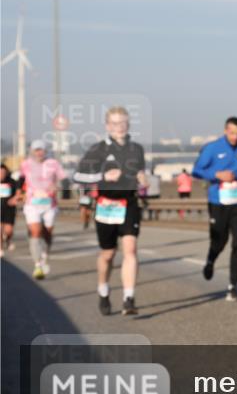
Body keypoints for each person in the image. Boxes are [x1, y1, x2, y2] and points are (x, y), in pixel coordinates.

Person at [73, 107, 147, 315]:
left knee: (130, 250)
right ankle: (103, 290)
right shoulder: (98, 150)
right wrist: (103, 177)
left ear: (128, 124)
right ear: (107, 126)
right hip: (106, 205)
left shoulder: (137, 149)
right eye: (114, 123)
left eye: (123, 122)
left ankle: (128, 298)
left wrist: (143, 179)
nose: (119, 127)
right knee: (108, 254)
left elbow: (141, 173)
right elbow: (77, 176)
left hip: (129, 203)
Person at [192, 116, 237, 303]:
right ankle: (210, 260)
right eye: (232, 133)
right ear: (225, 131)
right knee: (219, 240)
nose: (235, 137)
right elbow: (196, 170)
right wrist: (217, 174)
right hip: (218, 201)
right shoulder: (212, 148)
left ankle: (233, 286)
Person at [21, 139, 66, 279]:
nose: (39, 152)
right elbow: (19, 180)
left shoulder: (53, 163)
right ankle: (37, 265)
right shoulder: (26, 164)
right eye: (36, 150)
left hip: (49, 203)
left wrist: (57, 186)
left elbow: (63, 179)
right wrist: (19, 193)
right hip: (32, 203)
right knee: (35, 232)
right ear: (32, 151)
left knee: (47, 233)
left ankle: (45, 255)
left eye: (42, 150)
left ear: (46, 151)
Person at [1, 163, 22, 257]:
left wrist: (15, 199)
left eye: (3, 172)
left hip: (9, 209)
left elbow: (18, 193)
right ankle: (0, 248)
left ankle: (8, 239)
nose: (1, 174)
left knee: (8, 230)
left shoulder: (11, 181)